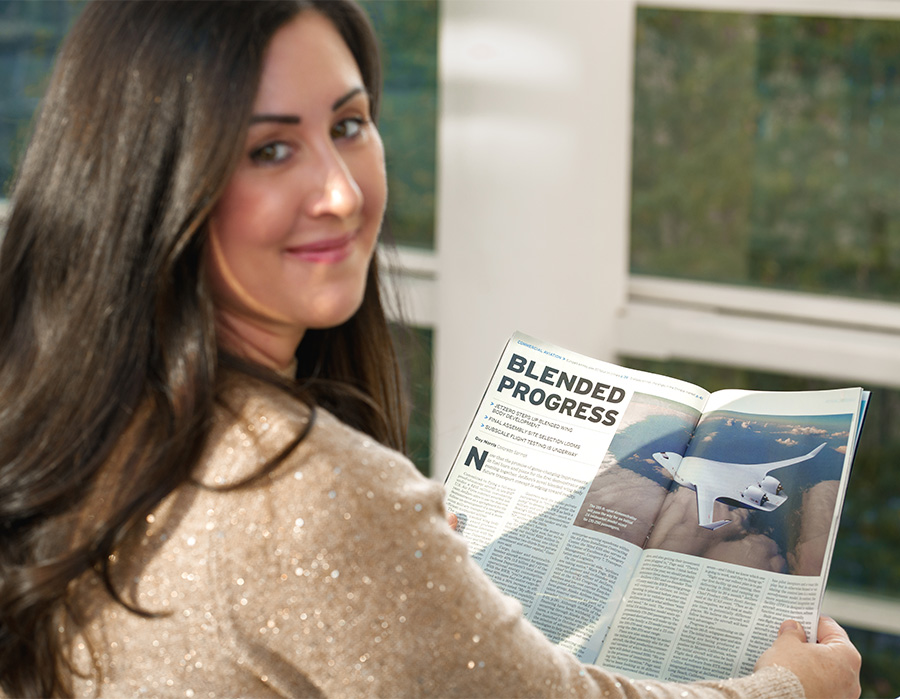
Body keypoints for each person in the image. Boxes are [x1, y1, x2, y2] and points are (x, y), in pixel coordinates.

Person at [0, 1, 861, 697]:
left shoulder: (68, 413)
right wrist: (792, 686)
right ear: (154, 182)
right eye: (269, 149)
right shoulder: (301, 482)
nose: (340, 193)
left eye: (348, 125)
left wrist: (400, 572)